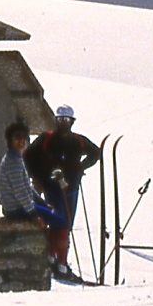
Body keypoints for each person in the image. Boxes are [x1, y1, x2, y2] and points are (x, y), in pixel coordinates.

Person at [23, 104, 102, 278]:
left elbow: (96, 153)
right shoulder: (46, 139)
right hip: (52, 188)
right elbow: (28, 156)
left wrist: (81, 167)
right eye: (60, 119)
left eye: (66, 120)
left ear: (72, 121)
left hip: (71, 188)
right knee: (59, 223)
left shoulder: (78, 141)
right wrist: (37, 178)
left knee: (66, 224)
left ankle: (58, 260)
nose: (63, 123)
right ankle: (57, 262)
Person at [0, 121, 65, 230]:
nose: (21, 141)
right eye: (17, 137)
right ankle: (57, 247)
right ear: (10, 140)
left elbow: (27, 187)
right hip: (15, 209)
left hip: (20, 207)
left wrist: (42, 204)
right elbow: (20, 192)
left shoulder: (16, 158)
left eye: (24, 137)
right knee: (60, 222)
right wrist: (34, 214)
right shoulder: (12, 162)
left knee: (55, 216)